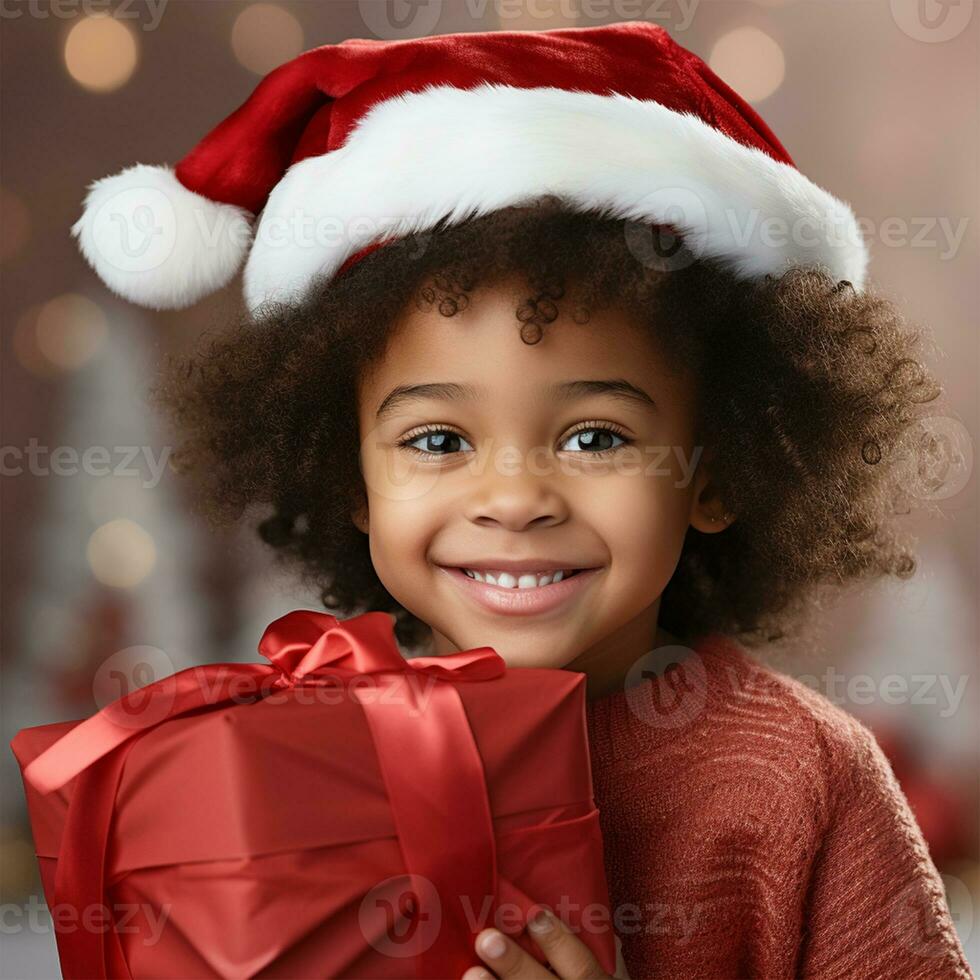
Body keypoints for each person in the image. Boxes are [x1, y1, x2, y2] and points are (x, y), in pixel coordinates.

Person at [71, 21, 973, 980]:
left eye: (595, 438)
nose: (514, 497)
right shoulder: (295, 765)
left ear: (715, 469)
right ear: (351, 478)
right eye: (439, 440)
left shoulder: (804, 780)